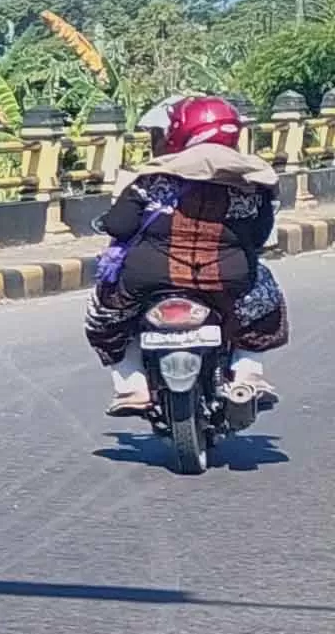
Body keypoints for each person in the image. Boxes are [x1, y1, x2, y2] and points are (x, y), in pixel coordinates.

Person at [89, 92, 286, 415]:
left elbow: (120, 225)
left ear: (178, 131)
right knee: (265, 299)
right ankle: (249, 372)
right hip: (227, 280)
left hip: (149, 279)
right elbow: (260, 237)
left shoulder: (150, 178)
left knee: (104, 313)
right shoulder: (253, 181)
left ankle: (131, 386)